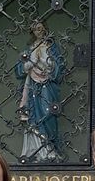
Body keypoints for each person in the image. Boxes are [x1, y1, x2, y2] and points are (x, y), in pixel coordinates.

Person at [15, 19, 65, 162]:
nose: (39, 31)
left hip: (47, 86)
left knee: (48, 113)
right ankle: (35, 152)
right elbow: (19, 70)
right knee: (32, 117)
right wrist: (29, 64)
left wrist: (44, 63)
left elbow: (59, 66)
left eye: (42, 28)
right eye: (36, 29)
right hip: (32, 86)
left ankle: (50, 151)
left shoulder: (51, 47)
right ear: (32, 31)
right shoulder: (29, 49)